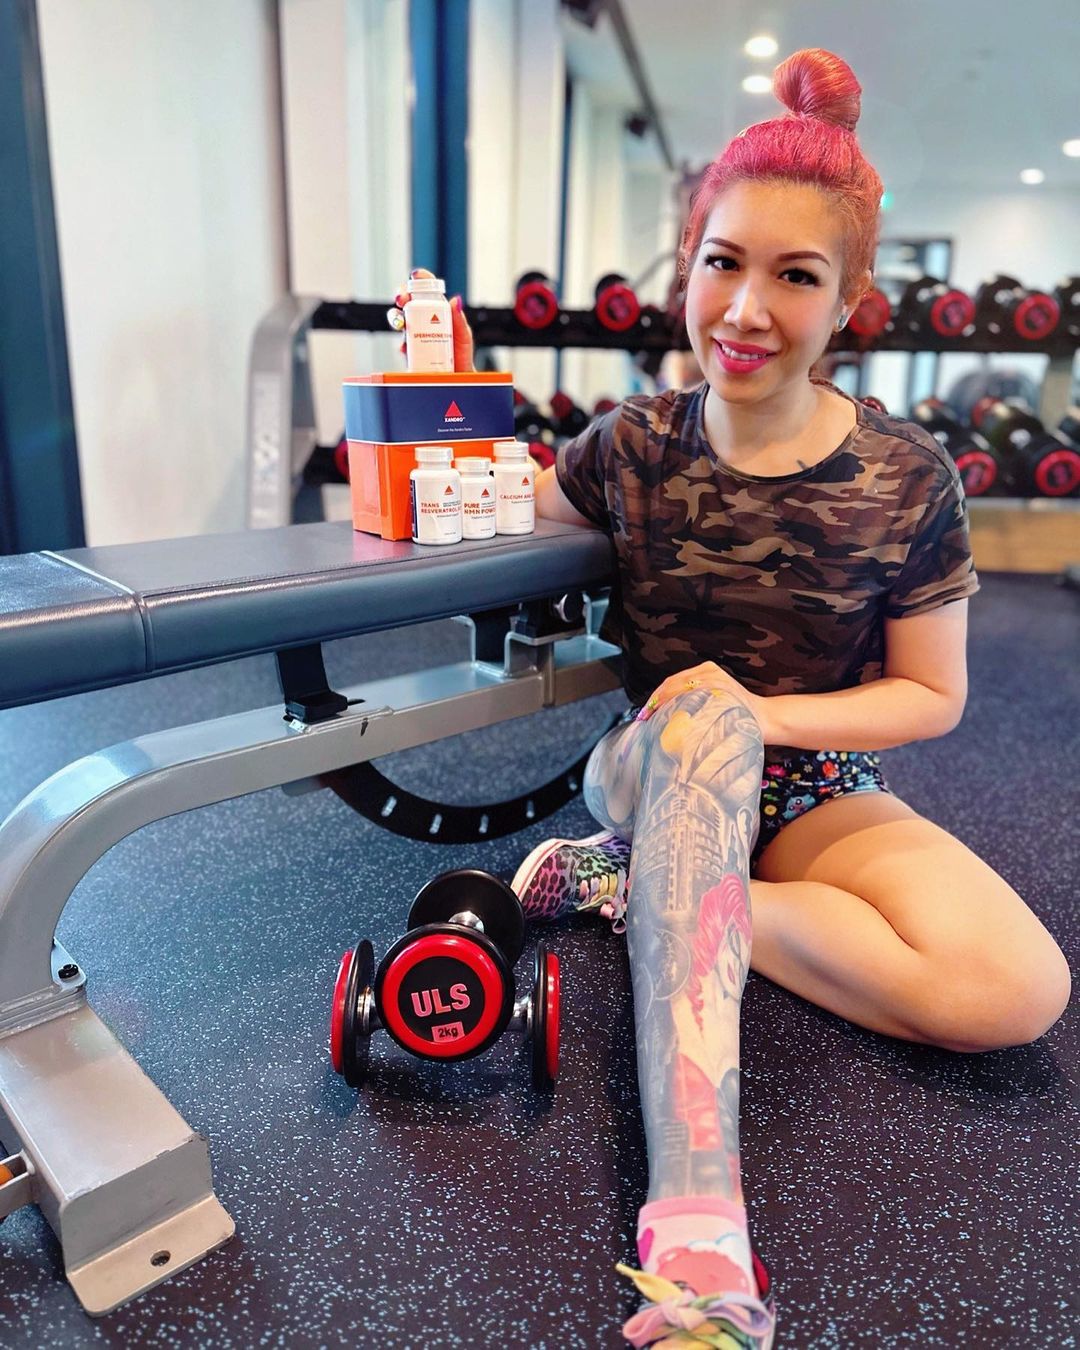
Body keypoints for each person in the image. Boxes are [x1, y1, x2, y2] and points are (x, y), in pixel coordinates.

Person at [394, 47, 1072, 1350]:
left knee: (1015, 990)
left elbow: (930, 697)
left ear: (852, 300)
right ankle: (698, 1230)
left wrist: (767, 715)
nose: (746, 309)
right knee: (702, 719)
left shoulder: (907, 476)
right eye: (722, 262)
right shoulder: (631, 446)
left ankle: (637, 895)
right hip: (654, 766)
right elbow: (487, 500)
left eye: (796, 276)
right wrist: (434, 389)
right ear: (689, 264)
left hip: (813, 788)